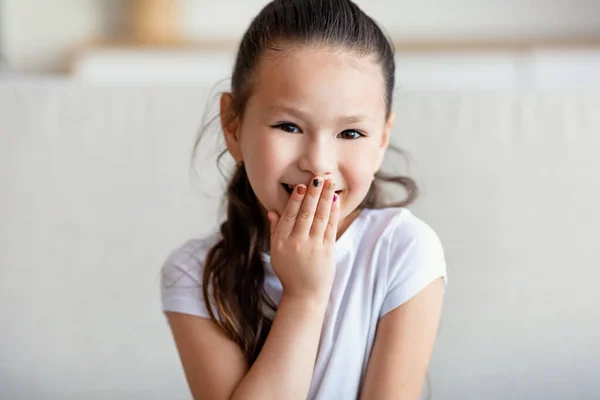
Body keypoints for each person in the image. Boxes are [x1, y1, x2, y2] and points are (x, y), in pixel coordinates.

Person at [160, 0, 447, 398]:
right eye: (289, 125)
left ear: (382, 138)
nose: (318, 164)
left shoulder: (404, 251)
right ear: (233, 126)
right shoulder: (195, 275)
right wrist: (304, 297)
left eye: (350, 134)